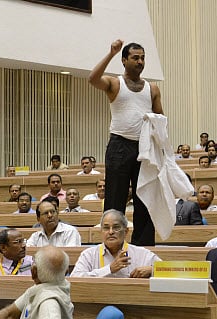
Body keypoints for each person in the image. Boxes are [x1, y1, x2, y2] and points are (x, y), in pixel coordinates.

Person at [88, 40, 165, 246]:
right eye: (135, 57)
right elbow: (92, 79)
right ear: (124, 60)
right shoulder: (115, 84)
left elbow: (160, 120)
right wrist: (110, 53)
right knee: (115, 199)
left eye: (142, 58)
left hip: (145, 147)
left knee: (145, 198)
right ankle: (112, 245)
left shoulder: (153, 88)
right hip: (119, 146)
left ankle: (144, 246)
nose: (140, 61)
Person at [0, 245, 74, 319]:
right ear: (66, 271)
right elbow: (9, 313)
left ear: (33, 272)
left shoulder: (49, 303)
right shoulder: (40, 288)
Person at [70, 209, 161, 278]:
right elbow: (75, 277)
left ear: (126, 231)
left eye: (116, 227)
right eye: (106, 228)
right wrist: (109, 269)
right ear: (101, 232)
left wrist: (152, 270)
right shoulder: (89, 254)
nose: (111, 232)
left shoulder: (141, 253)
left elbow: (172, 270)